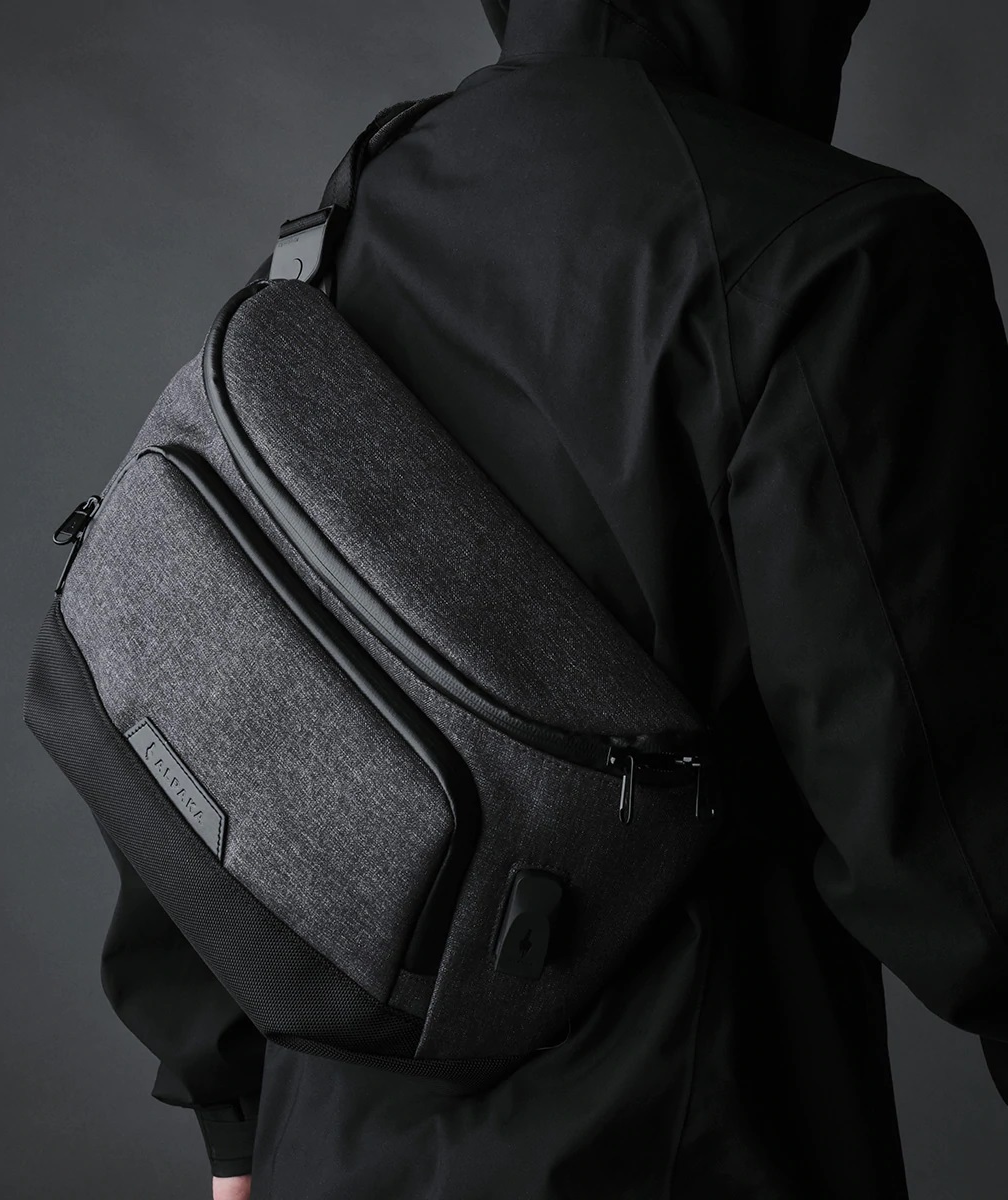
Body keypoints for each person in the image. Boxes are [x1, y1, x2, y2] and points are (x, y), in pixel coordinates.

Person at [92, 1, 1008, 1196]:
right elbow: (957, 831)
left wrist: (228, 1110)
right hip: (677, 1139)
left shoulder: (350, 214)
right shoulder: (846, 256)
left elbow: (196, 692)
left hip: (329, 1141)